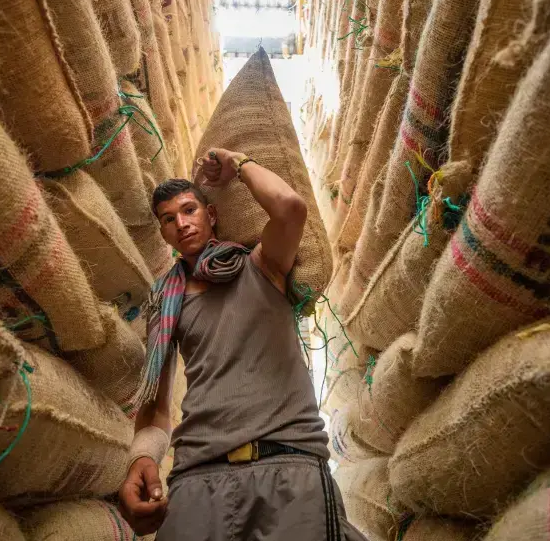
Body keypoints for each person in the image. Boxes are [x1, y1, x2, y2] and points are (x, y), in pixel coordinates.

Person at [118, 148, 366, 541]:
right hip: (196, 477)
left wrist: (237, 163)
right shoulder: (164, 304)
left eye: (189, 210)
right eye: (169, 219)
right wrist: (141, 458)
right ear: (164, 233)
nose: (181, 223)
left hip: (287, 464)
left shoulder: (261, 266)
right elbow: (154, 410)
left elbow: (289, 207)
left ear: (211, 215)